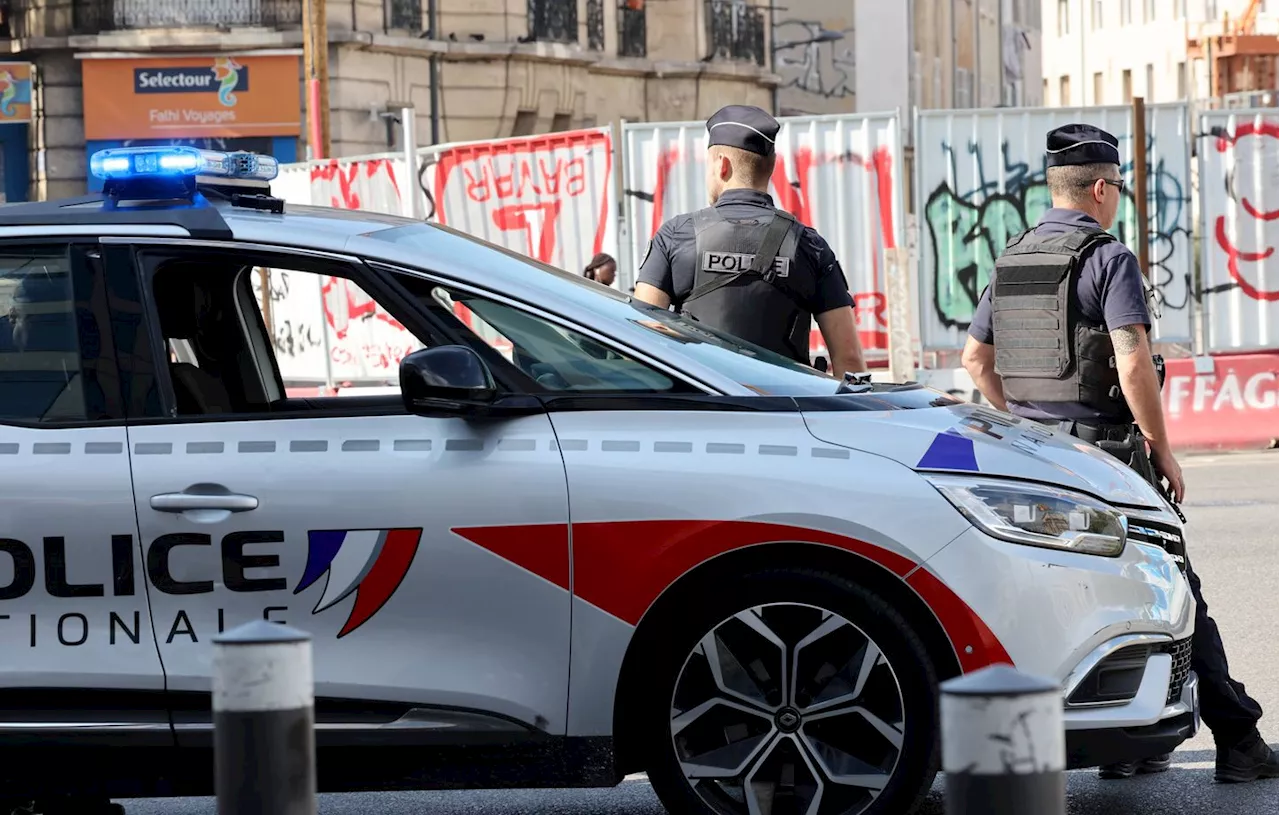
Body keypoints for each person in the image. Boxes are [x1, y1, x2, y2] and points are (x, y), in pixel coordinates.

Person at [961, 123, 1280, 785]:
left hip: (1032, 459)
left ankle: (1134, 740)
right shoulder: (1107, 258)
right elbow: (1133, 362)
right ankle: (1239, 739)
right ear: (1101, 189)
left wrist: (1018, 421)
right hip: (1105, 459)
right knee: (1174, 594)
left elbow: (975, 359)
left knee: (1092, 598)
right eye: (1118, 192)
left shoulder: (1013, 256)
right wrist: (1161, 447)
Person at [633, 104, 865, 377]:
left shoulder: (675, 235)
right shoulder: (809, 244)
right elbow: (849, 359)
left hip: (702, 411)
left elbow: (641, 337)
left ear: (722, 165)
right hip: (785, 411)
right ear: (771, 167)